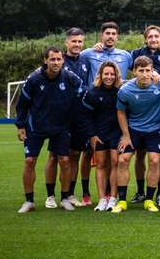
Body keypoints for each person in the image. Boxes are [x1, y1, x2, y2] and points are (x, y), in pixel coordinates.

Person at [15, 47, 83, 213]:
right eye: (52, 59)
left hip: (61, 126)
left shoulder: (70, 77)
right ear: (45, 60)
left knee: (64, 160)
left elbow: (83, 94)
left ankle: (65, 198)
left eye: (59, 59)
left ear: (63, 60)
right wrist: (21, 125)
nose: (56, 62)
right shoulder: (34, 79)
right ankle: (29, 201)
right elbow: (22, 104)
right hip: (36, 126)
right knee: (29, 161)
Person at [112, 56, 160, 213]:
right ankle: (122, 201)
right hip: (134, 130)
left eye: (148, 70)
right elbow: (120, 112)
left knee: (154, 160)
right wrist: (126, 136)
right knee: (123, 160)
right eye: (141, 71)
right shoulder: (125, 90)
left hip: (155, 130)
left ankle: (149, 200)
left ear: (152, 71)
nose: (145, 74)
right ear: (134, 72)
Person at [45, 28, 92, 208]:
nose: (77, 44)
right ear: (67, 42)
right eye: (74, 41)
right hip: (59, 116)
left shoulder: (86, 60)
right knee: (54, 155)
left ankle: (69, 194)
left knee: (75, 154)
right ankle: (50, 196)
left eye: (80, 41)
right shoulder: (58, 60)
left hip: (79, 115)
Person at [80, 61, 123, 211]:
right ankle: (102, 199)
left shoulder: (121, 91)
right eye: (106, 74)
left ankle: (113, 198)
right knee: (101, 164)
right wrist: (92, 135)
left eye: (112, 74)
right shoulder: (92, 92)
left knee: (115, 163)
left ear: (116, 75)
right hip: (99, 134)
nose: (109, 77)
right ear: (100, 75)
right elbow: (85, 116)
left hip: (116, 133)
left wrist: (124, 134)